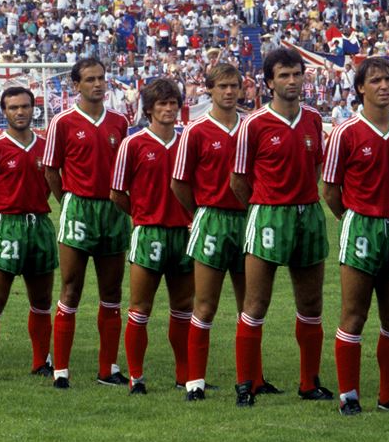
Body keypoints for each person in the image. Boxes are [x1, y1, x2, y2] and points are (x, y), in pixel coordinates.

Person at [230, 48, 333, 407]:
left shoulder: (314, 120)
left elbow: (318, 168)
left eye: (297, 74)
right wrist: (263, 207)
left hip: (308, 215)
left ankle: (309, 382)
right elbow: (238, 181)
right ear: (269, 82)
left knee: (311, 303)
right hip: (268, 216)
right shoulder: (253, 124)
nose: (292, 81)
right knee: (255, 303)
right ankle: (246, 383)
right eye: (284, 75)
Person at [323, 57, 389, 415]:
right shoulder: (345, 133)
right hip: (361, 225)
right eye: (376, 80)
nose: (384, 85)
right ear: (360, 88)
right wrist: (351, 219)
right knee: (354, 314)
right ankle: (348, 396)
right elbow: (330, 189)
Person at [43, 58, 131, 389]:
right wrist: (67, 202)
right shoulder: (62, 122)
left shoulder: (120, 122)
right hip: (78, 209)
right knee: (71, 288)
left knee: (111, 292)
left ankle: (108, 368)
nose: (98, 84)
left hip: (112, 211)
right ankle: (61, 370)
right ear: (75, 86)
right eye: (90, 79)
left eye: (101, 78)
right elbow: (51, 169)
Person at [110, 78, 193, 395]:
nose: (169, 109)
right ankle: (136, 377)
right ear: (149, 109)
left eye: (173, 103)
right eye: (162, 104)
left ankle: (184, 375)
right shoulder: (133, 144)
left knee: (183, 307)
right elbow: (117, 193)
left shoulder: (187, 141)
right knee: (140, 308)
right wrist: (143, 216)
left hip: (183, 235)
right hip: (149, 234)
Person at [171, 64, 248, 401]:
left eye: (234, 86)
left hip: (248, 220)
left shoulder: (250, 127)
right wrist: (201, 210)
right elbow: (179, 183)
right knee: (204, 304)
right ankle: (194, 381)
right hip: (212, 219)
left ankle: (252, 379)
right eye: (222, 86)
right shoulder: (196, 130)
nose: (229, 92)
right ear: (209, 90)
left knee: (251, 305)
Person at [0, 87, 56, 384]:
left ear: (34, 109)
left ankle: (40, 362)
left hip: (40, 225)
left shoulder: (46, 147)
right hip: (6, 225)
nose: (20, 112)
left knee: (42, 300)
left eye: (25, 106)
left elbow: (50, 186)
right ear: (4, 111)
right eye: (13, 107)